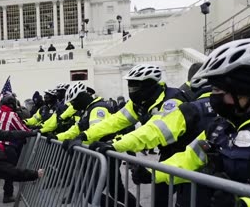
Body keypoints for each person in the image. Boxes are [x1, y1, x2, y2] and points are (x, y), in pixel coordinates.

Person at [132, 38, 250, 207]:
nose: (213, 97)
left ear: (246, 92)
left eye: (218, 90)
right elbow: (189, 158)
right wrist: (151, 173)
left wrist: (243, 203)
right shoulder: (220, 127)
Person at [65, 64, 188, 207]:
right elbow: (114, 122)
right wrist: (84, 135)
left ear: (149, 85)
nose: (131, 92)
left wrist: (115, 145)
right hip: (169, 152)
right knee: (160, 198)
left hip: (189, 153)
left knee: (186, 199)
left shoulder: (172, 101)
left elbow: (152, 131)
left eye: (134, 88)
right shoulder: (139, 103)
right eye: (130, 87)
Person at [0, 94, 31, 203]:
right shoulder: (12, 115)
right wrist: (33, 132)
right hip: (8, 147)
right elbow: (22, 129)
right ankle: (8, 195)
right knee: (10, 171)